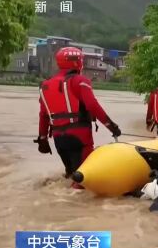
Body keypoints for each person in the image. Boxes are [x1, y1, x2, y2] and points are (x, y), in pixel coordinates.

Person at [35, 47, 121, 188]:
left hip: (59, 139)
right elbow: (92, 106)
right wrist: (112, 126)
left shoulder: (45, 85)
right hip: (80, 138)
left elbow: (43, 116)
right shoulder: (80, 81)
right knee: (82, 181)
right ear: (78, 62)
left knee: (71, 175)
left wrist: (42, 139)